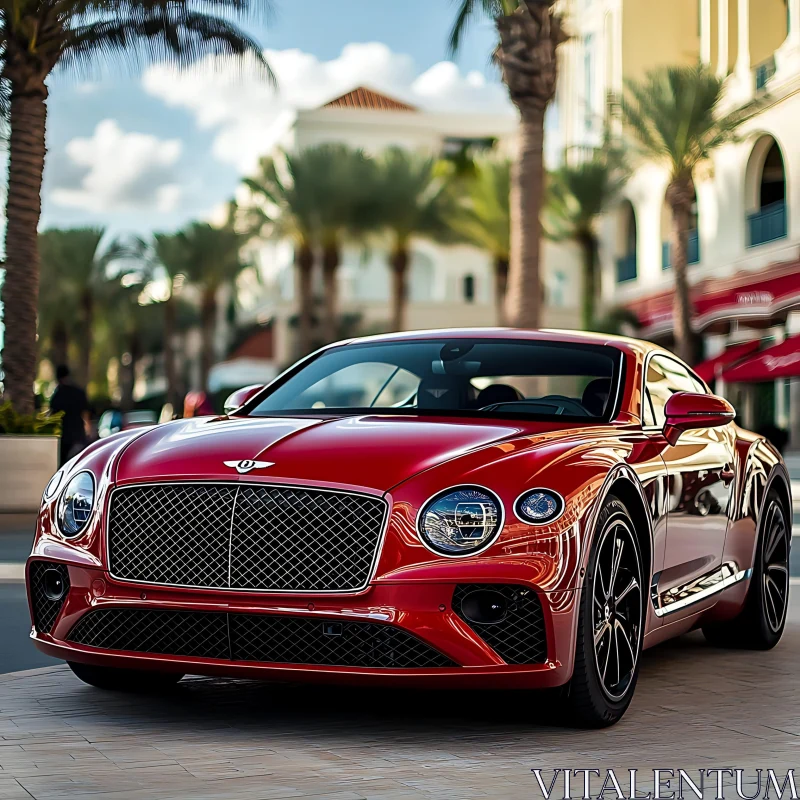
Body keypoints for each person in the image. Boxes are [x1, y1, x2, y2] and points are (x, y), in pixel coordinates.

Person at [50, 365, 90, 466]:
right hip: (78, 435)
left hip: (63, 436)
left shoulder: (57, 395)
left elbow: (53, 416)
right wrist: (87, 429)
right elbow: (86, 413)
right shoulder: (79, 392)